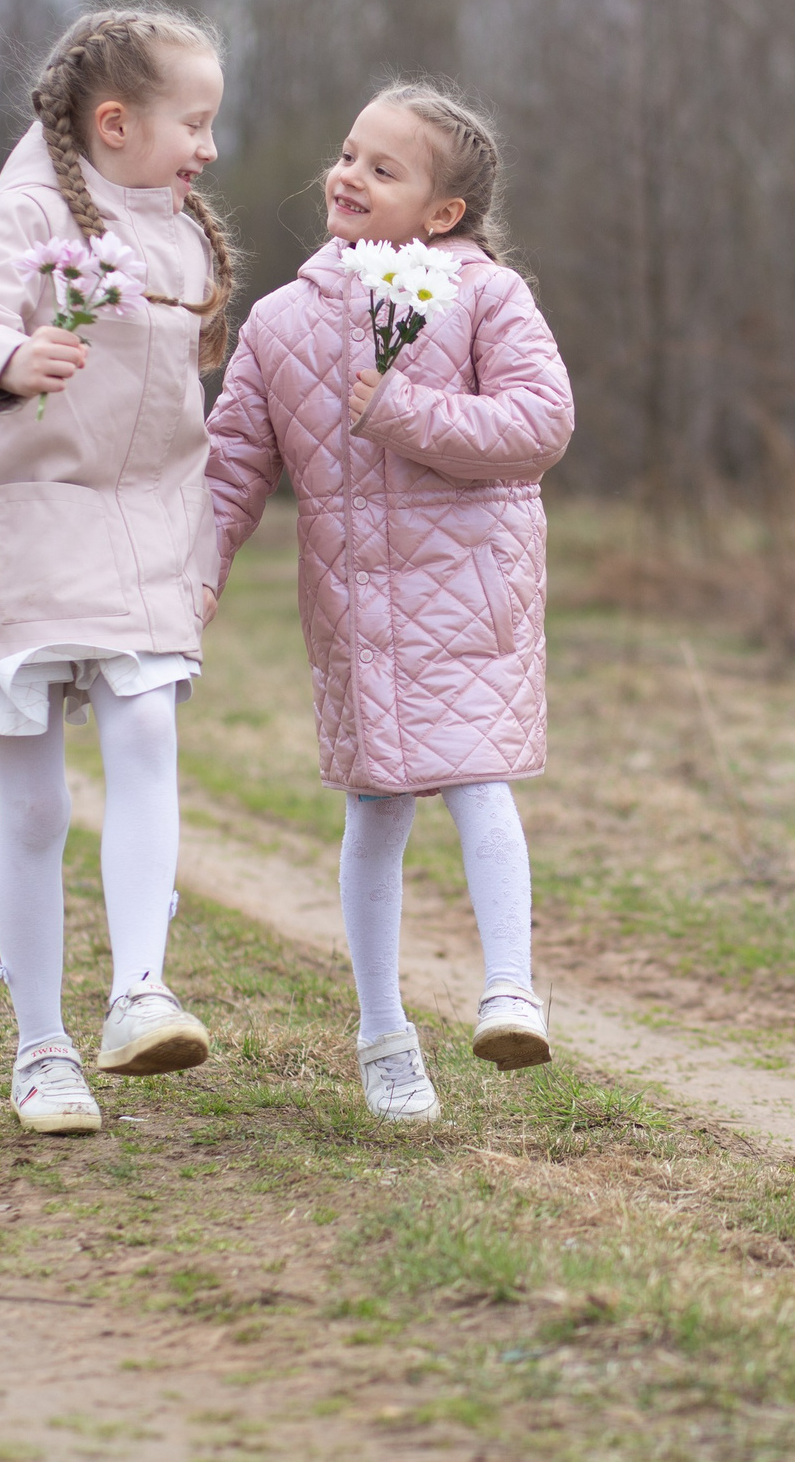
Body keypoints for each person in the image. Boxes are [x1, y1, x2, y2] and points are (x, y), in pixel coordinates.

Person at [0, 4, 237, 1136]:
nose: (210, 148)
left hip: (141, 533)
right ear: (117, 121)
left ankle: (140, 993)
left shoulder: (180, 233)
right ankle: (41, 1051)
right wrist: (9, 358)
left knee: (145, 735)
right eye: (197, 121)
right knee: (33, 805)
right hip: (27, 529)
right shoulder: (30, 206)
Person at [205, 82, 574, 1123]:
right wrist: (195, 574)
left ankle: (510, 989)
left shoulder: (488, 299)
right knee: (373, 809)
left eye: (382, 167)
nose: (347, 175)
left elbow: (540, 424)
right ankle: (382, 1037)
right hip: (357, 605)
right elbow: (233, 466)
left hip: (471, 590)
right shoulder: (280, 323)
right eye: (347, 153)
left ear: (443, 214)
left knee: (478, 780)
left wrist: (402, 410)